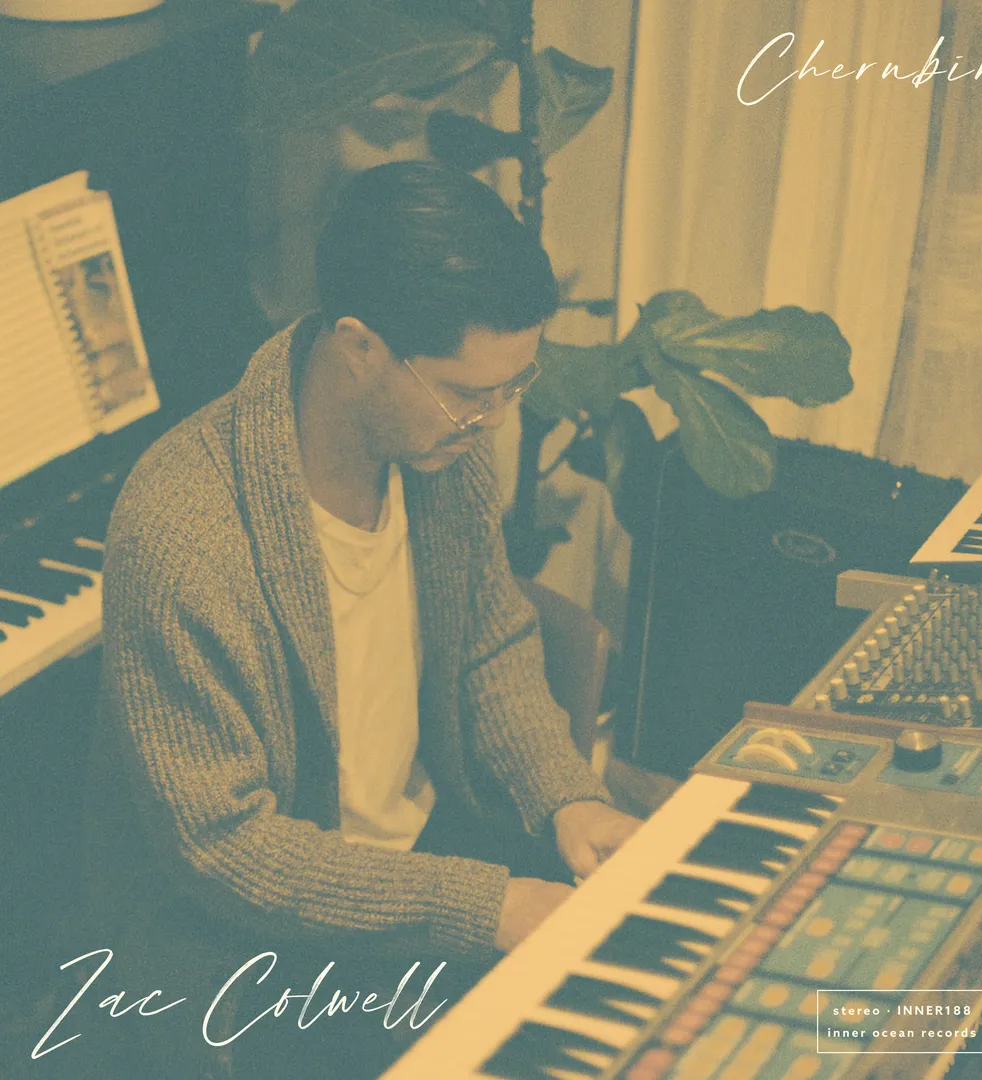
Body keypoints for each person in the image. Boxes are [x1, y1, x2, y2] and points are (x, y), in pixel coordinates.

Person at [77, 161, 640, 1080]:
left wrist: (565, 794)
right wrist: (488, 907)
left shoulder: (439, 448)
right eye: (468, 392)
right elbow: (226, 849)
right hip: (252, 942)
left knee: (639, 1008)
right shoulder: (183, 530)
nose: (495, 421)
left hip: (426, 855)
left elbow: (490, 646)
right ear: (359, 347)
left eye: (510, 388)